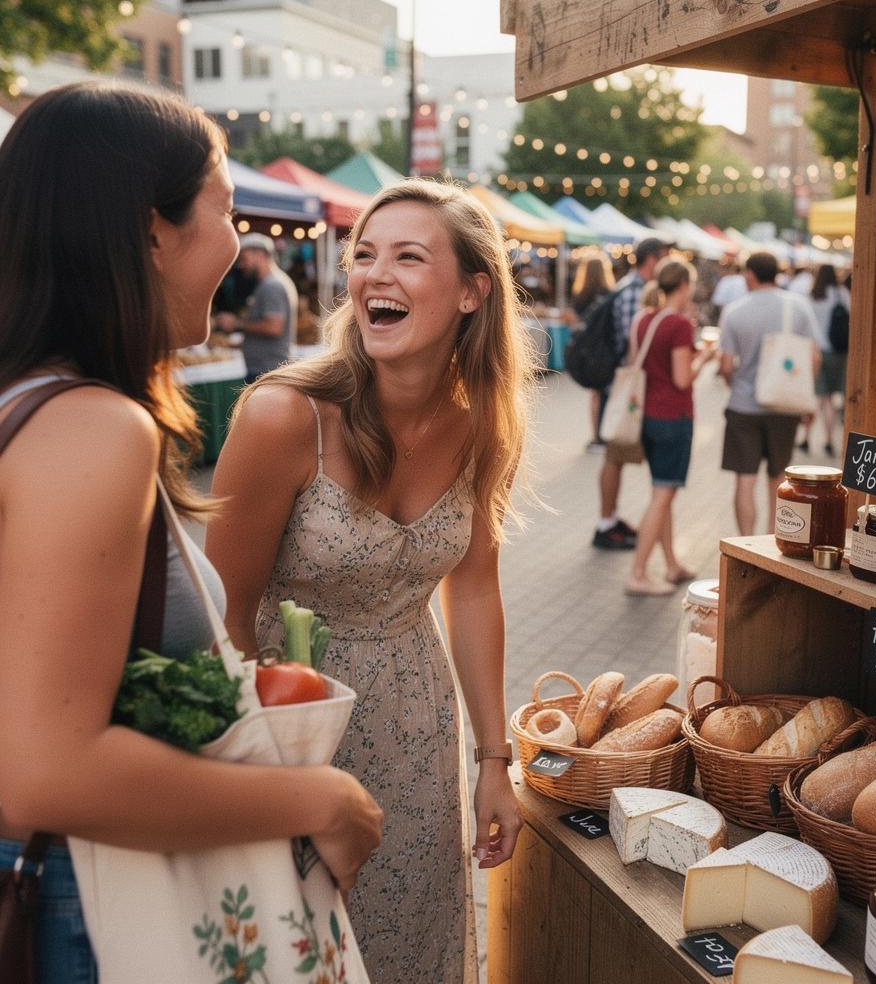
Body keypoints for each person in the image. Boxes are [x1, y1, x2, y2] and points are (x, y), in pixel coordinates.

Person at [0, 82, 382, 984]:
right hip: (81, 909)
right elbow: (45, 768)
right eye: (225, 210)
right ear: (151, 231)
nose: (239, 243)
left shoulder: (29, 405)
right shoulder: (94, 429)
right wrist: (316, 798)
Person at [205, 179, 534, 984]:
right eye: (365, 257)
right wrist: (275, 769)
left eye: (408, 257)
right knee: (296, 950)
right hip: (291, 726)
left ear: (470, 292)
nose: (373, 276)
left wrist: (497, 760)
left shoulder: (481, 424)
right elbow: (226, 615)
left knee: (407, 950)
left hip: (420, 732)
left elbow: (477, 588)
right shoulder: (284, 417)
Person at [625, 259, 717, 596]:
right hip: (673, 418)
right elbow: (682, 378)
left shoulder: (643, 319)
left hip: (646, 417)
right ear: (684, 286)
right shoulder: (678, 324)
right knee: (662, 495)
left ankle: (672, 564)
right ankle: (637, 572)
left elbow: (637, 363)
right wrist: (705, 358)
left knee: (660, 494)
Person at [718, 251, 821, 536]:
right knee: (778, 479)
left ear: (750, 274)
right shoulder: (798, 307)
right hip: (784, 407)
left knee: (744, 480)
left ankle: (745, 544)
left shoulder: (734, 311)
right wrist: (803, 396)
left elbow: (726, 365)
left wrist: (734, 385)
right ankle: (772, 544)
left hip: (743, 407)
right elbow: (813, 359)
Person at [592, 236, 670, 549]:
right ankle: (605, 522)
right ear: (651, 259)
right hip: (627, 391)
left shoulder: (632, 288)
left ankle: (610, 518)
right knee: (615, 456)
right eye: (663, 257)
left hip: (627, 389)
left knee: (617, 457)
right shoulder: (635, 292)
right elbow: (632, 349)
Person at [215, 232, 298, 382]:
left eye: (244, 259)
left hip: (267, 371)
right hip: (268, 370)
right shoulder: (272, 283)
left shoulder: (272, 285)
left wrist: (236, 324)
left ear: (259, 255)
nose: (241, 265)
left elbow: (274, 327)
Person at [797, 263, 850, 457]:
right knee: (831, 400)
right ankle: (829, 440)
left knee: (819, 397)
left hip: (816, 351)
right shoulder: (841, 293)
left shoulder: (813, 295)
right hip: (839, 351)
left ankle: (806, 437)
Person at [570, 249, 617, 451]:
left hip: (587, 353)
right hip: (606, 350)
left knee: (596, 395)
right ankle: (605, 433)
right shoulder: (610, 295)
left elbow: (577, 324)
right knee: (607, 393)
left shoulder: (580, 295)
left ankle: (595, 434)